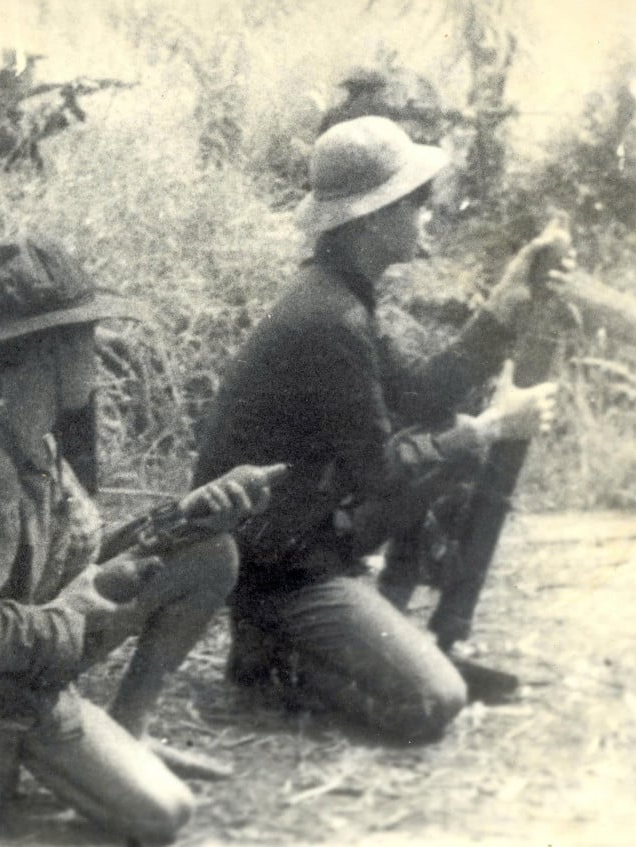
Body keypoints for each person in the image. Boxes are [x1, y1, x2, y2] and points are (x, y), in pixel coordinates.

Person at [193, 116, 570, 741]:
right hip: (282, 568)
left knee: (449, 442)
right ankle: (273, 659)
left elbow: (421, 393)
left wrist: (504, 303)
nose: (427, 214)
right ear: (373, 218)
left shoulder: (337, 296)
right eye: (416, 201)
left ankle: (362, 634)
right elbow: (378, 475)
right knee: (434, 701)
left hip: (300, 543)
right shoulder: (330, 319)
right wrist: (488, 429)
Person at [0, 238, 275, 842]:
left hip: (31, 666)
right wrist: (74, 609)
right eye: (87, 338)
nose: (96, 356)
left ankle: (127, 733)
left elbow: (78, 563)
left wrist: (186, 515)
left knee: (208, 552)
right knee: (163, 814)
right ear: (51, 350)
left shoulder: (38, 445)